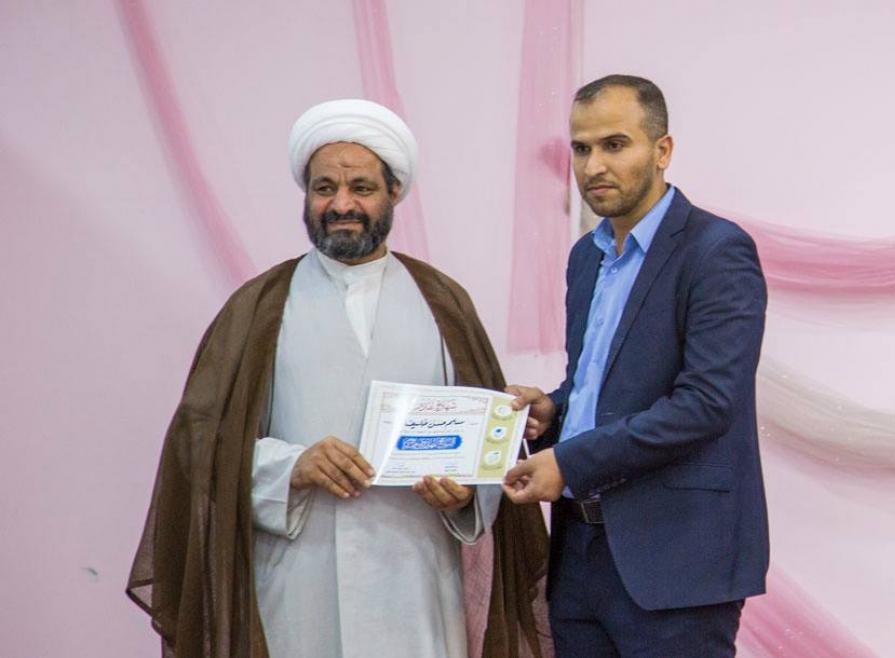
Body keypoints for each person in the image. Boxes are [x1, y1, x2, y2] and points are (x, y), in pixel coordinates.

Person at [127, 99, 549, 658]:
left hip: (417, 583)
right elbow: (199, 446)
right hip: (296, 584)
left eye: (361, 188)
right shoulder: (258, 307)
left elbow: (486, 442)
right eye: (324, 188)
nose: (341, 204)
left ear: (394, 192)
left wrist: (465, 496)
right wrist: (290, 466)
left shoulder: (443, 302)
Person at [502, 75, 769, 657]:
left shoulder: (716, 251)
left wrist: (568, 462)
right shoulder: (586, 256)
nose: (594, 165)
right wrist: (555, 410)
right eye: (581, 148)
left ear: (662, 150)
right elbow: (601, 383)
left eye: (615, 145)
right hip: (578, 554)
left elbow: (706, 404)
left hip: (676, 561)